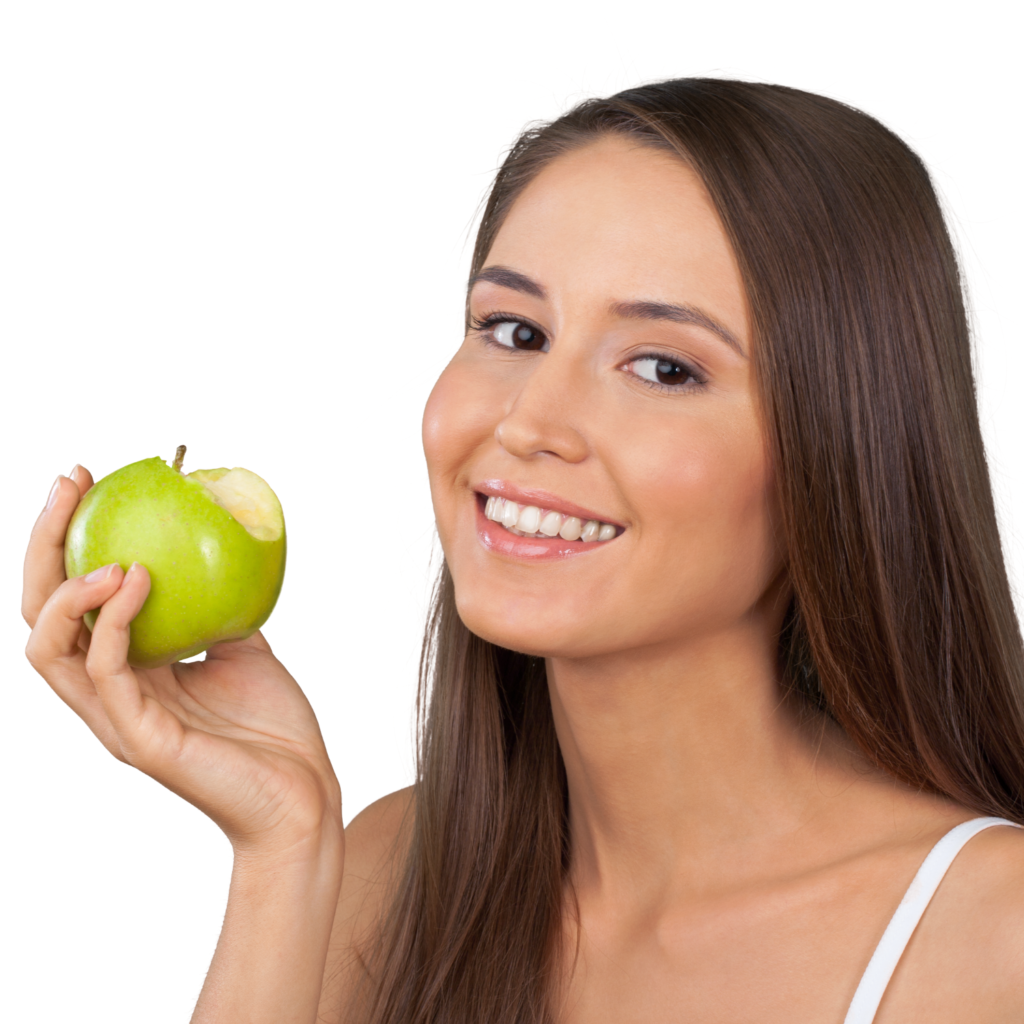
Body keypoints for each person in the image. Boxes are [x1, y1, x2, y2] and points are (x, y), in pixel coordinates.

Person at [22, 78, 1024, 1024]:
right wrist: (280, 850)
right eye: (512, 329)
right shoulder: (378, 877)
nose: (529, 420)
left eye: (664, 366)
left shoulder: (992, 938)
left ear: (841, 449)